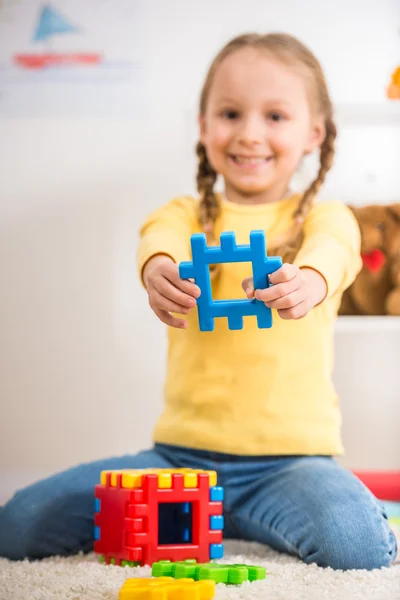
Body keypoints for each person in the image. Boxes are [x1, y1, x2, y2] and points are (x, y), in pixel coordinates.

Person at [0, 33, 397, 570]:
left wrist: (309, 279)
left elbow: (336, 251)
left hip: (291, 463)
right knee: (19, 524)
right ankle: (216, 515)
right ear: (204, 126)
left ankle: (288, 513)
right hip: (179, 461)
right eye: (231, 113)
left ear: (314, 133)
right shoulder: (185, 215)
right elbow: (156, 238)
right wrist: (158, 269)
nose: (250, 134)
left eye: (275, 116)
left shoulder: (324, 219)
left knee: (357, 546)